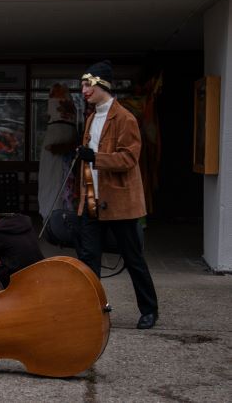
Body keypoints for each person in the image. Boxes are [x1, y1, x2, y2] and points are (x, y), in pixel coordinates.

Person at [76, 60, 159, 329]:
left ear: (103, 85)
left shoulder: (125, 118)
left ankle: (149, 310)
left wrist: (94, 157)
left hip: (120, 203)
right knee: (89, 260)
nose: (84, 90)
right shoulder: (90, 117)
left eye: (88, 84)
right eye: (82, 85)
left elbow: (128, 159)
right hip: (92, 201)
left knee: (133, 258)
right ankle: (91, 310)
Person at [37, 83, 78, 221]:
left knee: (56, 180)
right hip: (60, 139)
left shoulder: (63, 115)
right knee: (54, 180)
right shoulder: (70, 112)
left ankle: (55, 215)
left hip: (58, 140)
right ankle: (55, 215)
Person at [0, 213, 45, 287]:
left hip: (18, 275)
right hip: (39, 269)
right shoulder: (25, 223)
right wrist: (2, 260)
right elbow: (19, 250)